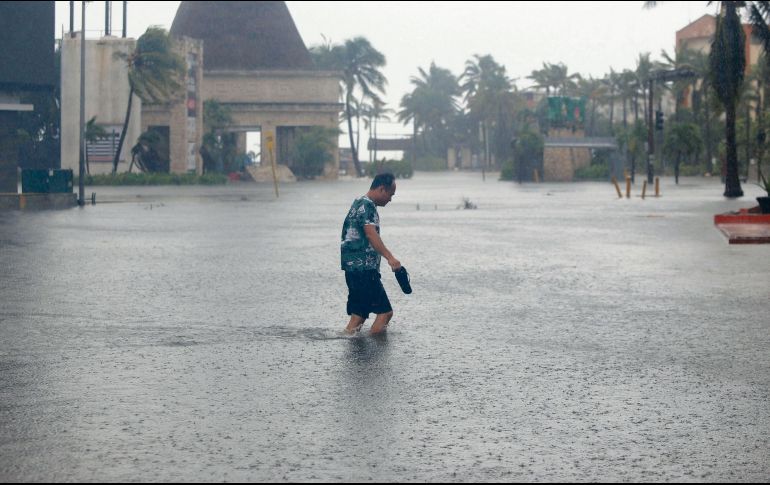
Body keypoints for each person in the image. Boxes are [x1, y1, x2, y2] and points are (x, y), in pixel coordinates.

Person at [340, 172, 401, 335]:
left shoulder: (358, 203)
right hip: (364, 270)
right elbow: (371, 233)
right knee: (385, 313)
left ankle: (353, 350)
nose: (390, 199)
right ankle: (376, 356)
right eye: (390, 194)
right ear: (382, 189)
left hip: (352, 269)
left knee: (358, 315)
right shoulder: (368, 206)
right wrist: (390, 257)